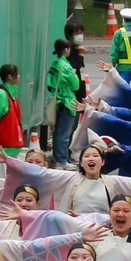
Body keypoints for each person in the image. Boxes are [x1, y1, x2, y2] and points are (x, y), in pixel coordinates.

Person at [46, 38, 82, 167]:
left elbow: (49, 84)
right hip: (68, 101)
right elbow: (76, 85)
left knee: (58, 131)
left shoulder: (55, 64)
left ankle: (58, 157)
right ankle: (62, 159)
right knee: (65, 132)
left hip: (58, 100)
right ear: (65, 50)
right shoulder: (66, 66)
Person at [0, 63, 25, 157]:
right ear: (10, 77)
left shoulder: (11, 93)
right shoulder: (2, 94)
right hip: (4, 146)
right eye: (17, 74)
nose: (19, 76)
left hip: (12, 143)